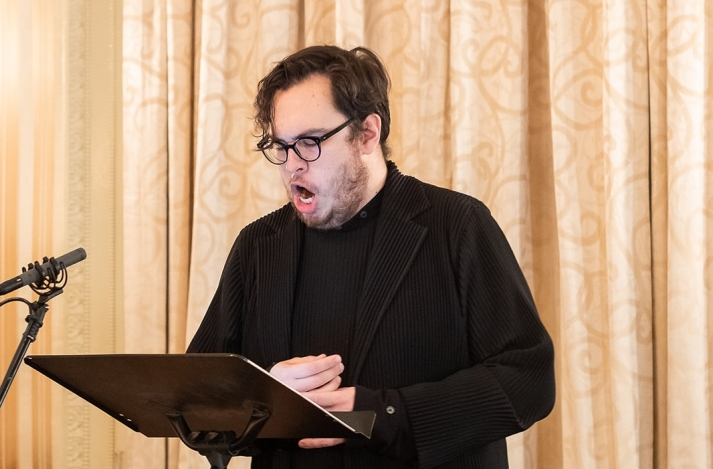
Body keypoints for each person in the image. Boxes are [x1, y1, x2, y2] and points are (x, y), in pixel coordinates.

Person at [187, 45, 555, 469]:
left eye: (309, 143)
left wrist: (388, 415)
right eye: (281, 146)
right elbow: (193, 403)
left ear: (367, 134)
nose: (291, 166)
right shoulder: (257, 246)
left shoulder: (458, 225)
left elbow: (528, 380)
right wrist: (263, 396)